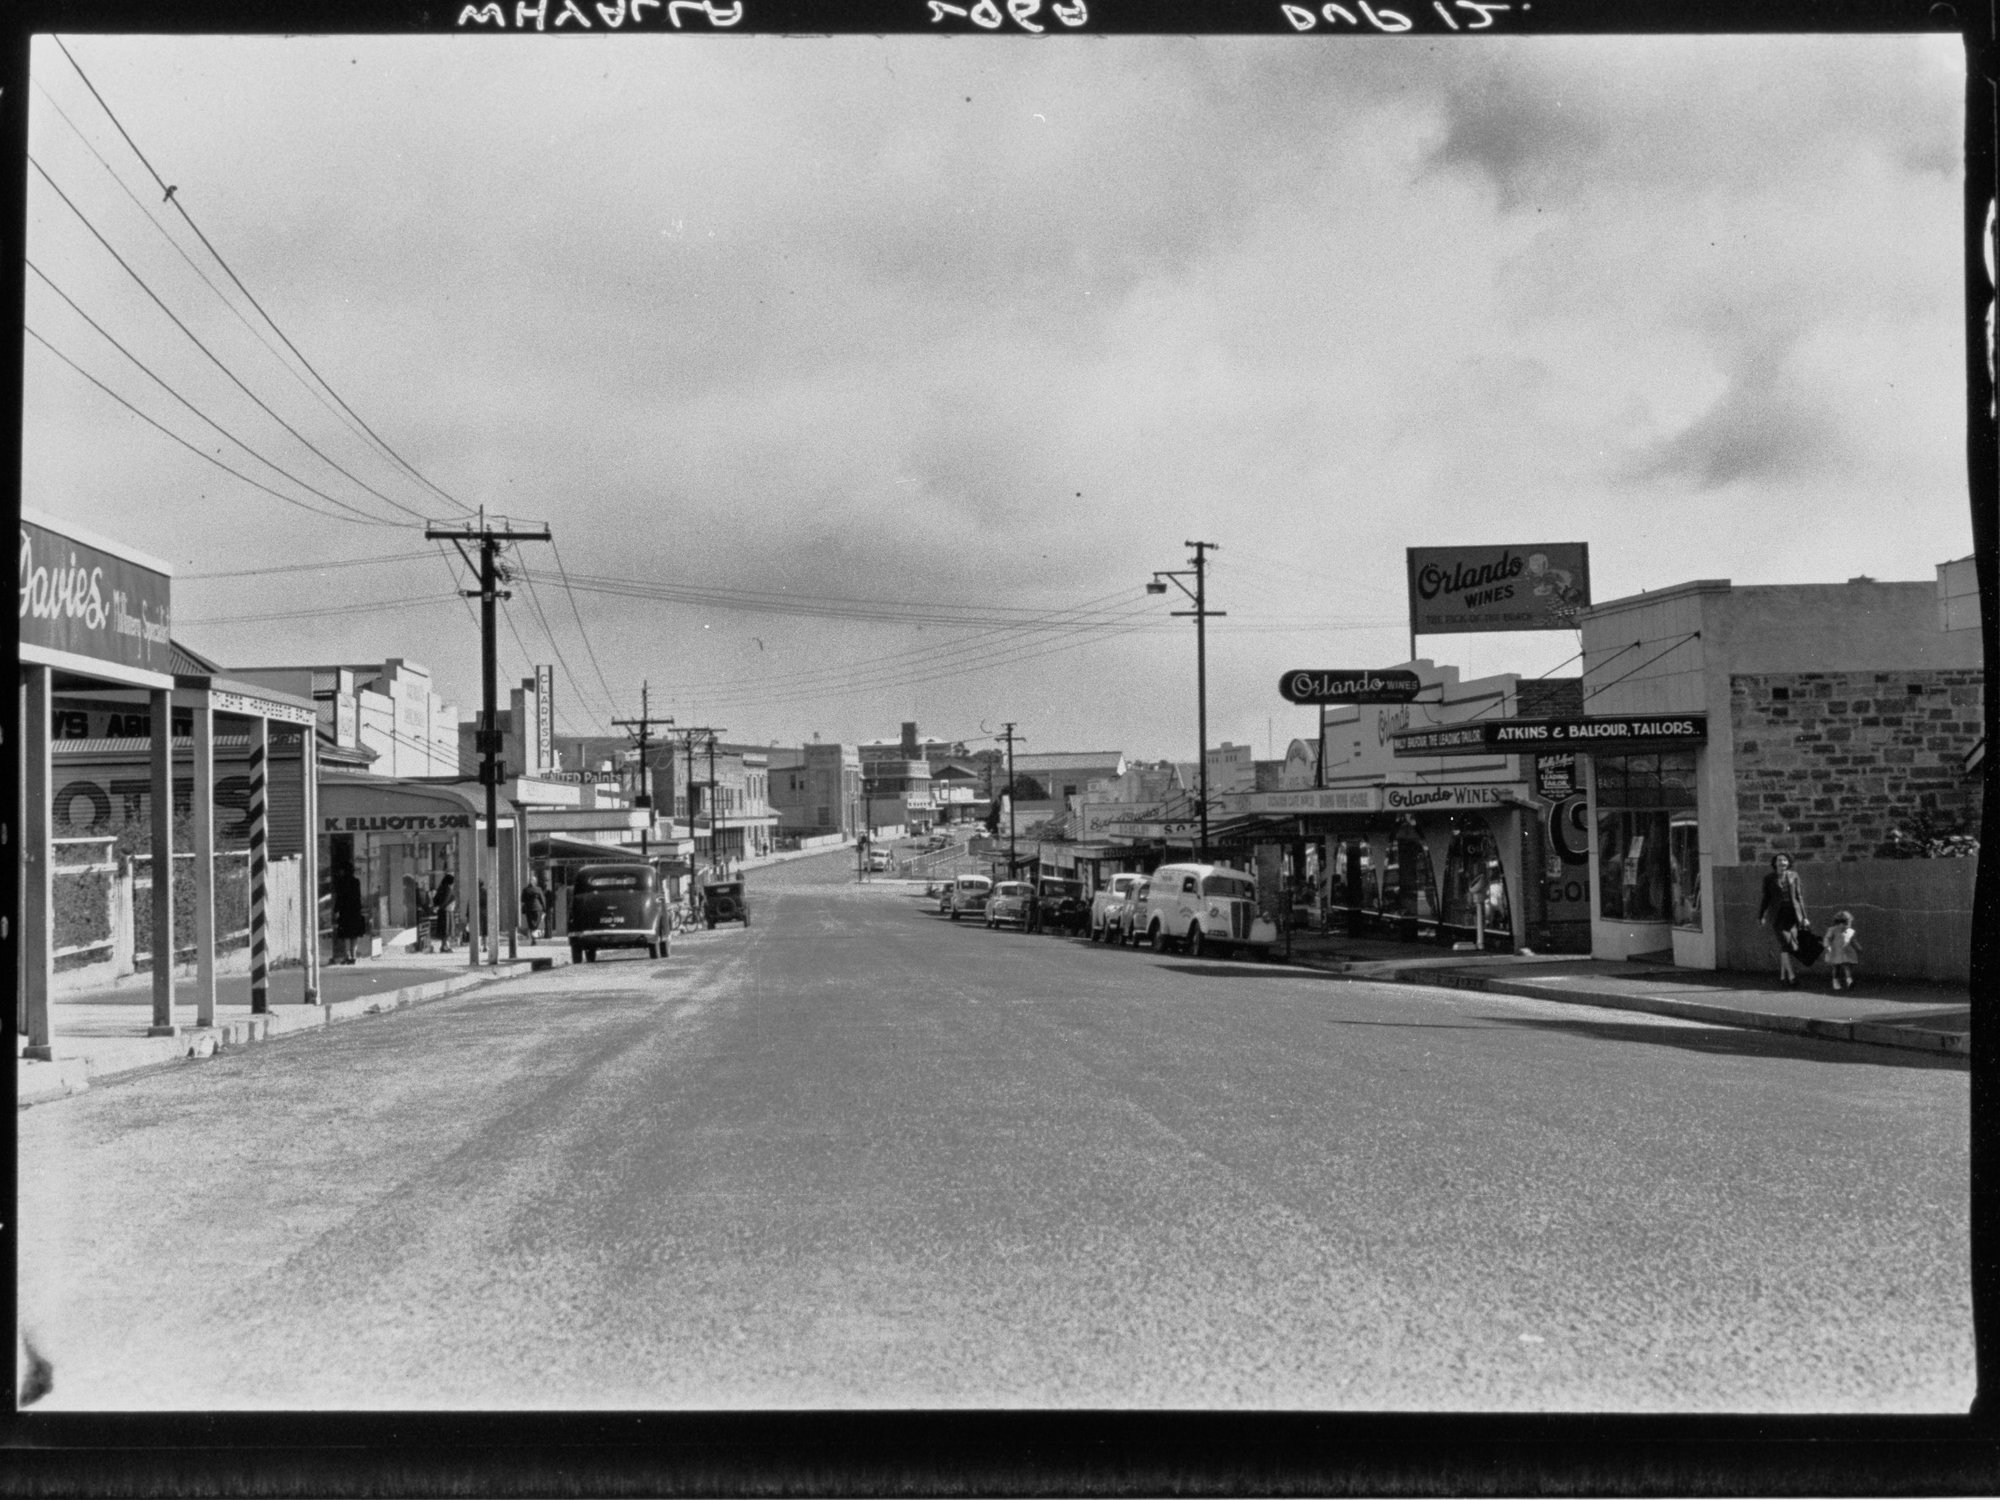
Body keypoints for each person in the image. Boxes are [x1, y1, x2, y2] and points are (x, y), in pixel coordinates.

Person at [1757, 852, 1810, 987]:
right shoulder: (1769, 878)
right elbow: (1766, 898)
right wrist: (1761, 915)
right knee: (1788, 944)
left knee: (1787, 946)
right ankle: (1791, 976)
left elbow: (1799, 896)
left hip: (1792, 915)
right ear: (1775, 863)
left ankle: (1783, 976)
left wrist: (1804, 917)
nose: (1782, 863)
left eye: (1785, 860)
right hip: (1777, 916)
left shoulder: (1794, 876)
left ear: (1788, 863)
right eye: (1779, 861)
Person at [331, 862, 367, 965]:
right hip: (355, 911)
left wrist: (336, 910)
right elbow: (358, 897)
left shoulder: (341, 883)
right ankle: (354, 956)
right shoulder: (356, 882)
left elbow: (339, 898)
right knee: (354, 936)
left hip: (344, 912)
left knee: (346, 936)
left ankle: (347, 956)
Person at [1824, 910, 1862, 992]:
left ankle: (1849, 981)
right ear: (1839, 923)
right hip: (1835, 952)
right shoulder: (1833, 930)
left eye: (1847, 923)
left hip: (1845, 952)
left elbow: (1853, 941)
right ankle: (1835, 981)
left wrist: (1858, 947)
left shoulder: (1850, 931)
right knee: (1836, 968)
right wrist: (1827, 946)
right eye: (1846, 923)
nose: (1845, 926)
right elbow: (1827, 938)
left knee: (1847, 966)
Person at [432, 871, 457, 953]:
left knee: (444, 930)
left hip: (443, 911)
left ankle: (444, 946)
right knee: (447, 930)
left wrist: (437, 907)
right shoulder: (448, 889)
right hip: (447, 911)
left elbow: (435, 899)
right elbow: (446, 900)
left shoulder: (441, 887)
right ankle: (445, 946)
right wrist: (441, 906)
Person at [521, 879, 548, 943]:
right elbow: (542, 899)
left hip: (529, 909)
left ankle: (533, 938)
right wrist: (544, 908)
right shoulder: (538, 889)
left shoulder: (525, 890)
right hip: (537, 909)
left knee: (531, 924)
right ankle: (534, 936)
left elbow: (522, 900)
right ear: (535, 882)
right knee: (536, 923)